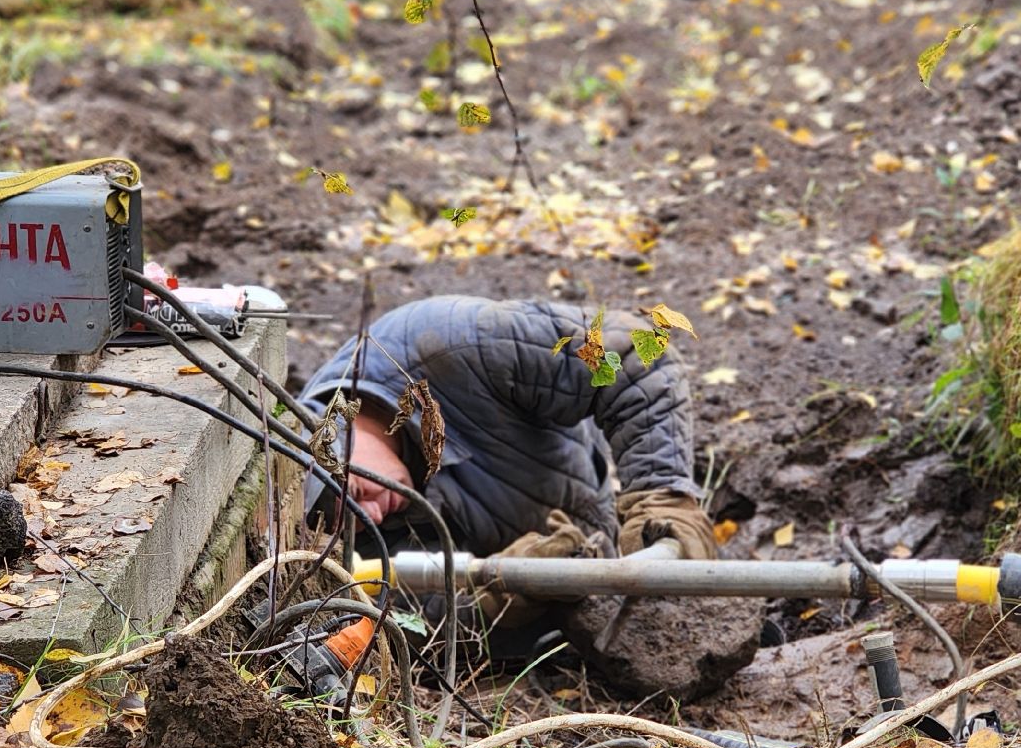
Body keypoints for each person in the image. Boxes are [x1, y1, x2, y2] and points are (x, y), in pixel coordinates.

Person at [299, 295, 765, 700]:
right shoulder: (331, 529)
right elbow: (410, 619)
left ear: (339, 425)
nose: (376, 516)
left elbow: (638, 355)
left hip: (589, 487)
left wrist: (660, 495)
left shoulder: (447, 344)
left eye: (360, 492)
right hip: (561, 610)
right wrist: (495, 600)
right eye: (359, 522)